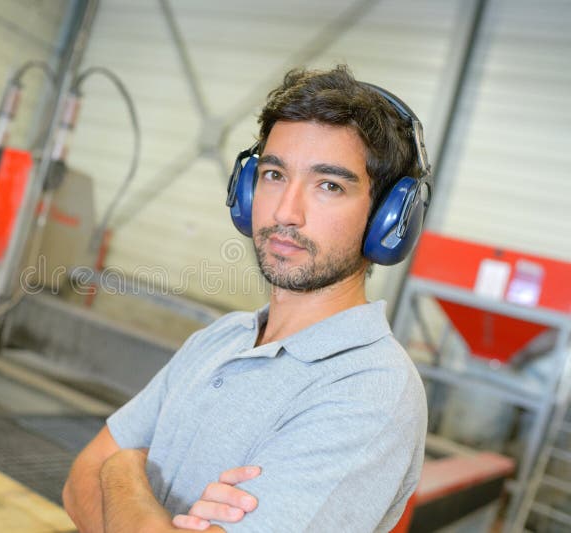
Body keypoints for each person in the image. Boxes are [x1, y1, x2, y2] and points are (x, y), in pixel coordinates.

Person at [63, 64, 429, 533]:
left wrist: (121, 471)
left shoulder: (371, 391)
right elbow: (77, 485)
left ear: (388, 220)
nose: (285, 211)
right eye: (275, 175)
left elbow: (102, 469)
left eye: (329, 185)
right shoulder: (222, 337)